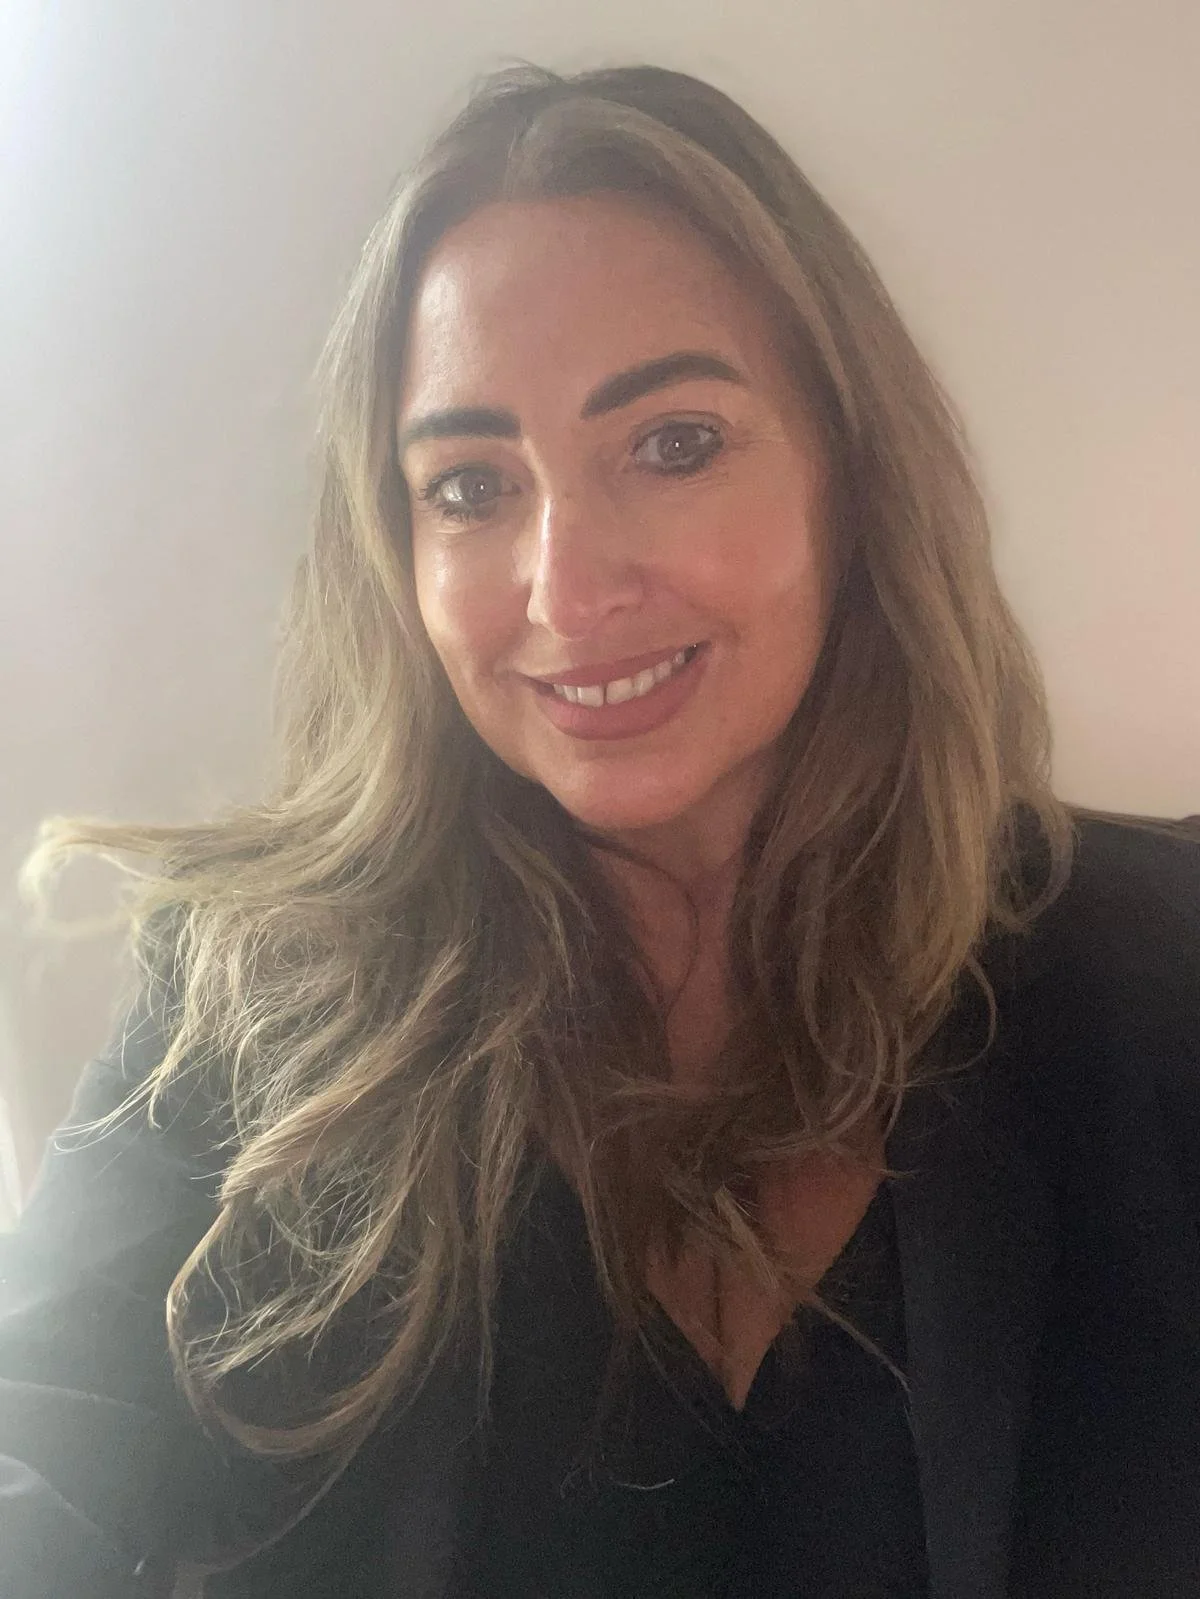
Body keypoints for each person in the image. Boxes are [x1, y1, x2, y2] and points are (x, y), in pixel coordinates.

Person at [2, 59, 1198, 1599]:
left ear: (852, 468)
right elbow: (41, 1430)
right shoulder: (242, 1009)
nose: (564, 590)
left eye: (674, 443)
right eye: (472, 484)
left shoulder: (1157, 975)